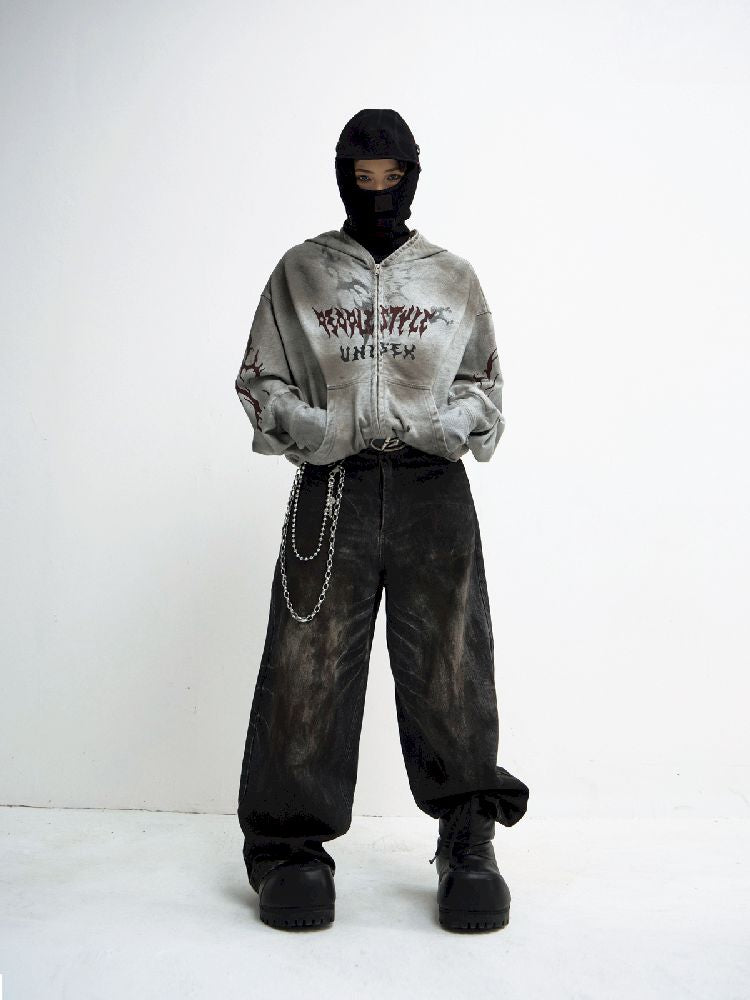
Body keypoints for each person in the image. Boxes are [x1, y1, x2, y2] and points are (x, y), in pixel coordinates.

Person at [234, 108, 530, 931]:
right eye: (360, 179)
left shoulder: (451, 278)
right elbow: (259, 379)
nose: (376, 194)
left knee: (450, 661)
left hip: (434, 488)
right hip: (330, 490)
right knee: (308, 662)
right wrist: (319, 429)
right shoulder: (301, 272)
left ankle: (467, 839)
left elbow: (485, 387)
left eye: (390, 178)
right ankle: (290, 849)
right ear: (341, 178)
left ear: (412, 177)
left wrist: (439, 424)